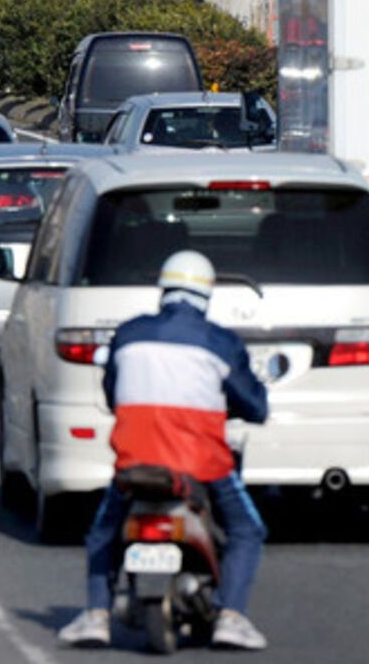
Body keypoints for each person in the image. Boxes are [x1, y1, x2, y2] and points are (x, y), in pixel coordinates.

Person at [57, 250, 270, 651]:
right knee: (247, 530)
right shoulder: (221, 342)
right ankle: (232, 617)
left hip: (134, 466)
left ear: (163, 290)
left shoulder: (128, 334)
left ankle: (97, 615)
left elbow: (111, 394)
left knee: (103, 533)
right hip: (202, 467)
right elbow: (255, 406)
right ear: (206, 294)